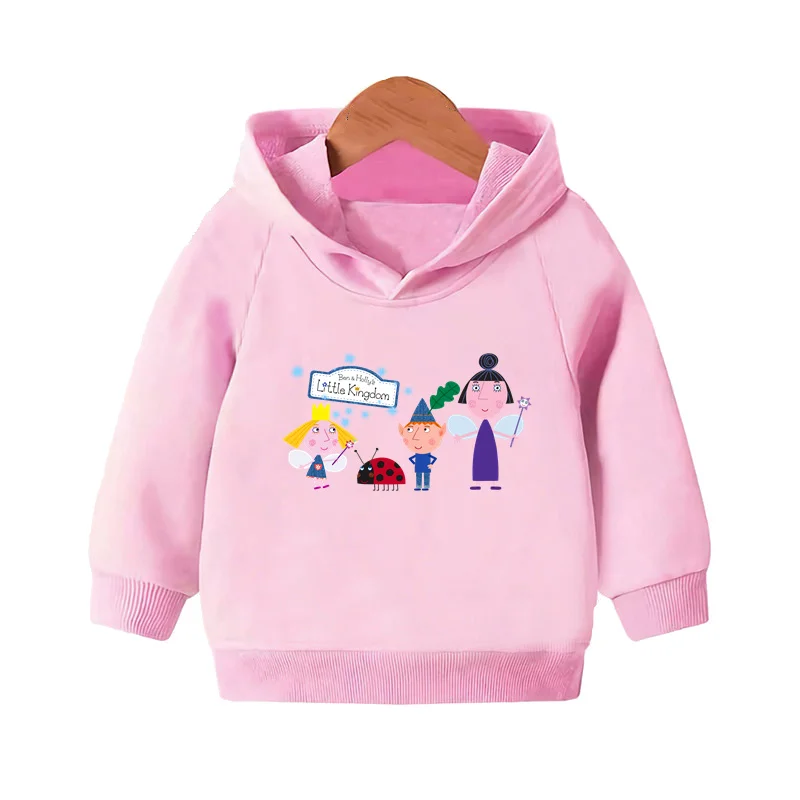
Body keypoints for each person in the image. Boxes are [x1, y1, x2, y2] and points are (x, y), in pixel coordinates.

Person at [448, 353, 516, 490]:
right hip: (481, 446)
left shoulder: (488, 428)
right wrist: (461, 436)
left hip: (489, 446)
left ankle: (493, 483)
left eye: (497, 388)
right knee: (479, 461)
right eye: (476, 388)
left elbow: (496, 432)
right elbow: (474, 432)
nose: (484, 398)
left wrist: (509, 436)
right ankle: (478, 483)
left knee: (491, 461)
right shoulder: (482, 428)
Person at [398, 399, 447, 491]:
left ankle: (426, 486)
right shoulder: (419, 454)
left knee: (426, 476)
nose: (417, 438)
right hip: (419, 466)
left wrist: (431, 464)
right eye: (410, 430)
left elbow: (433, 458)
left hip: (425, 466)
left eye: (426, 430)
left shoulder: (426, 454)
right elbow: (411, 459)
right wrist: (415, 463)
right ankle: (419, 486)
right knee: (419, 476)